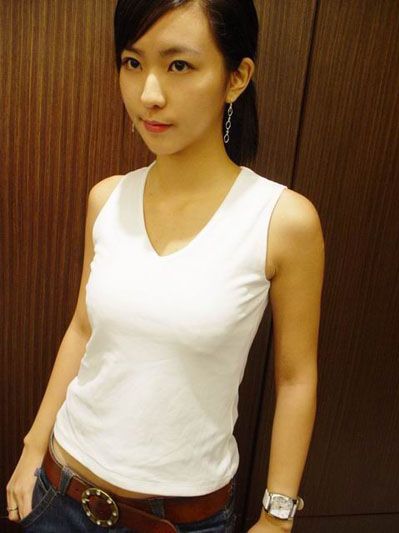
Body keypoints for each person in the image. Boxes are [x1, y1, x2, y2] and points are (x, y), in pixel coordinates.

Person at [5, 0, 324, 532]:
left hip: (183, 519)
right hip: (60, 492)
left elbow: (295, 378)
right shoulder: (107, 199)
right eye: (133, 63)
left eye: (179, 65)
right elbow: (82, 328)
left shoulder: (281, 220)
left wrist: (277, 517)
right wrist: (32, 448)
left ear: (237, 77)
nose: (149, 94)